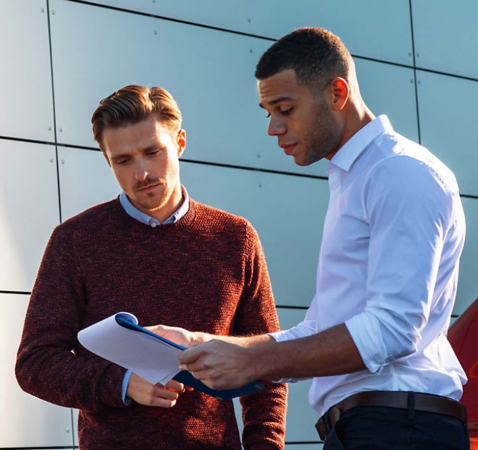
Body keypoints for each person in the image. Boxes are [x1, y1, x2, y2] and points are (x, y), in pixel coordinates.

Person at [151, 28, 470, 449]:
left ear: (338, 92)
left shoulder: (399, 173)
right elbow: (322, 330)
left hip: (399, 428)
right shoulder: (356, 179)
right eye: (267, 111)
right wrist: (213, 344)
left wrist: (252, 360)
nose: (272, 128)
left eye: (284, 108)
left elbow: (393, 328)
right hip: (372, 426)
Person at [15, 85, 287, 450]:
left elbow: (268, 365)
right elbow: (36, 363)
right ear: (108, 162)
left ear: (180, 143)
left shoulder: (235, 238)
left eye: (152, 152)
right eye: (123, 160)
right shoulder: (75, 241)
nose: (142, 173)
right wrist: (122, 383)